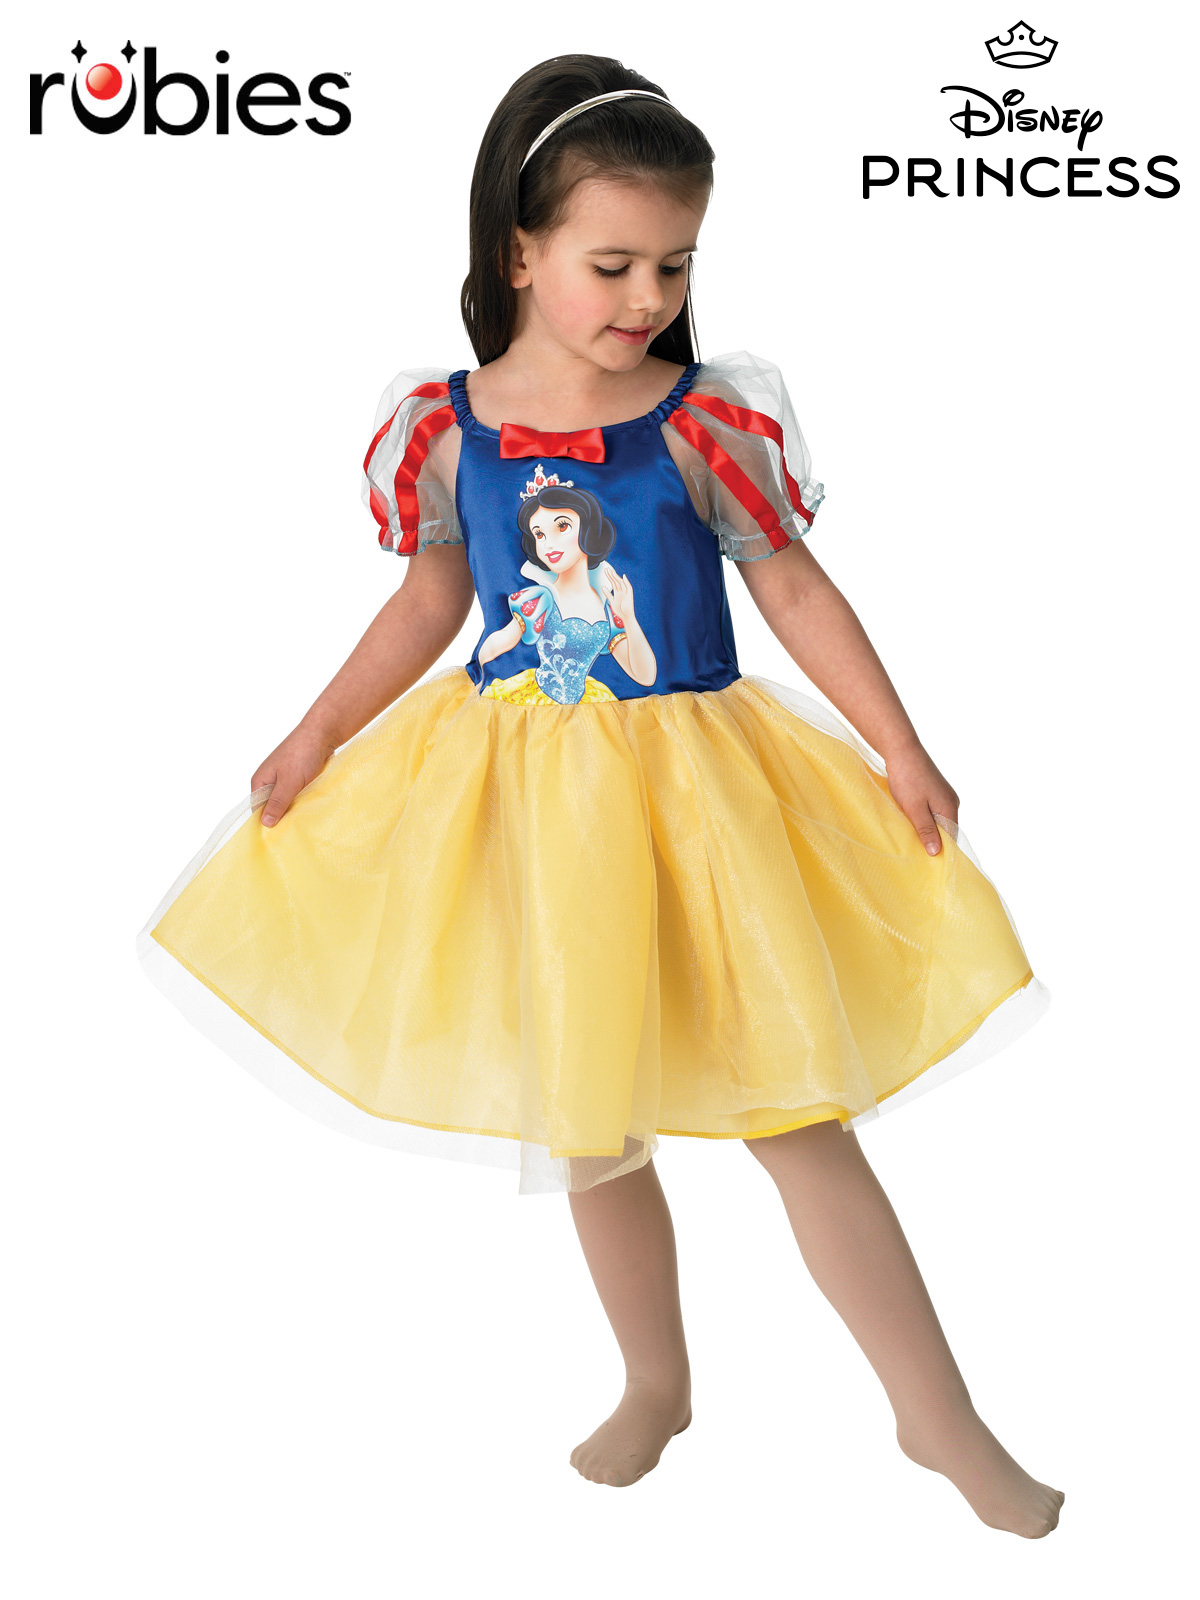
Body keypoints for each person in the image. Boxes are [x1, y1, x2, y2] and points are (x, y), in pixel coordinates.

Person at [138, 55, 1064, 1534]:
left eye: (674, 264)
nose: (649, 295)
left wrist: (899, 743)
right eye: (614, 263)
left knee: (793, 1110)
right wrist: (314, 735)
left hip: (700, 797)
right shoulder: (445, 427)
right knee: (590, 1115)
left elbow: (796, 589)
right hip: (526, 804)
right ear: (521, 252)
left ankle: (935, 1417)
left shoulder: (702, 422)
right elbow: (430, 599)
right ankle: (655, 1381)